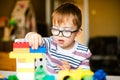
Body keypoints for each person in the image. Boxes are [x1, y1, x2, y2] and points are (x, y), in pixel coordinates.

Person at [25, 3, 92, 76]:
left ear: (77, 32)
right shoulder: (50, 43)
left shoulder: (83, 52)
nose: (60, 35)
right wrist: (32, 35)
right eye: (56, 29)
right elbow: (30, 41)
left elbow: (86, 76)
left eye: (66, 31)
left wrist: (70, 73)